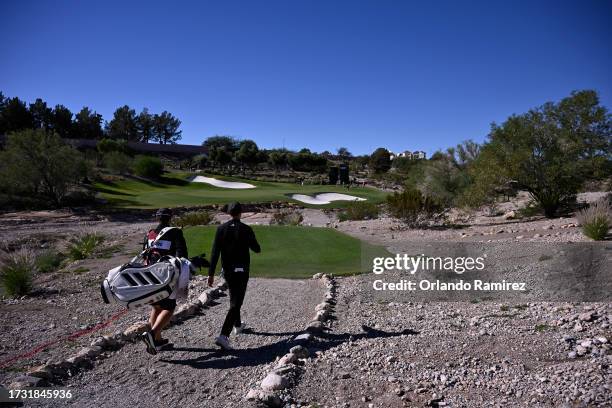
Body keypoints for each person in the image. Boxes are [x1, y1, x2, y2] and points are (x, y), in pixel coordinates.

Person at [208, 202, 261, 350]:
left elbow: (214, 253)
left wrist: (211, 274)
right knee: (236, 302)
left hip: (228, 271)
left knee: (233, 296)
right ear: (240, 213)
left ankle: (237, 325)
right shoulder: (246, 229)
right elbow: (257, 249)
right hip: (242, 270)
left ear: (229, 213)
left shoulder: (220, 229)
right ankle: (224, 335)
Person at [140, 208, 188, 355]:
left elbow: (144, 253)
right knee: (169, 307)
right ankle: (153, 334)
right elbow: (182, 254)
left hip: (149, 274)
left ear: (157, 218)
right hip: (166, 274)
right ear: (170, 218)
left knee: (156, 306)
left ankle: (158, 341)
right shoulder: (175, 232)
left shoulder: (150, 233)